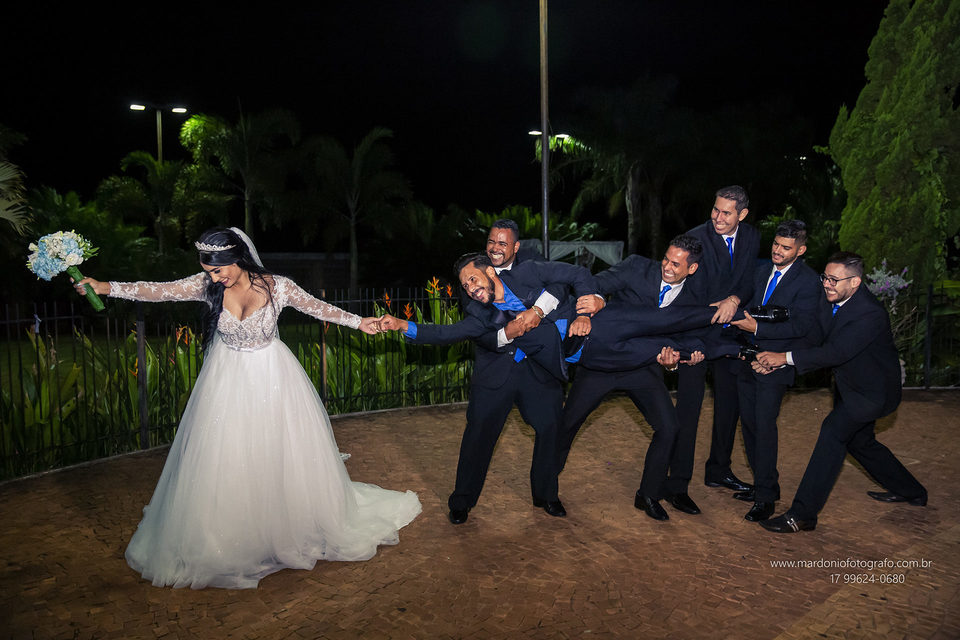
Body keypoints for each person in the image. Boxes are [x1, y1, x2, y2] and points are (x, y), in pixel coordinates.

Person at [73, 227, 421, 588]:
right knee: (225, 456)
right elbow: (158, 290)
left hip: (272, 377)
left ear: (238, 258)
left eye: (219, 270)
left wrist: (358, 321)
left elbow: (316, 308)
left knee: (278, 453)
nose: (215, 277)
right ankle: (228, 532)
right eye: (208, 271)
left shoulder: (277, 286)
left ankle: (284, 526)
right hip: (226, 380)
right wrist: (105, 287)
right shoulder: (207, 285)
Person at [753, 252, 927, 533]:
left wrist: (783, 358)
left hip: (872, 393)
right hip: (850, 388)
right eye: (825, 277)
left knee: (832, 433)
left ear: (855, 282)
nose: (827, 284)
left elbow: (836, 352)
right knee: (861, 443)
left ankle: (803, 515)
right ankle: (912, 491)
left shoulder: (870, 314)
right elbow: (813, 336)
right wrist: (774, 360)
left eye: (834, 280)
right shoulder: (829, 300)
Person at [561, 234, 708, 521]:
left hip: (642, 368)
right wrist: (596, 305)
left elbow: (692, 335)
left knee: (669, 428)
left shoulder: (694, 296)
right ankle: (546, 489)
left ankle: (648, 495)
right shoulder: (635, 267)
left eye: (676, 264)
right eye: (666, 258)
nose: (667, 266)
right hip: (602, 364)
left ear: (692, 269)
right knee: (567, 425)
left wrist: (675, 363)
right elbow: (594, 284)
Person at [727, 220, 823, 522]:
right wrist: (749, 344)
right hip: (749, 358)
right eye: (776, 244)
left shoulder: (808, 282)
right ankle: (764, 484)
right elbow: (751, 308)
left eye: (786, 247)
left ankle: (766, 498)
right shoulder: (761, 271)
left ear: (801, 249)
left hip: (777, 364)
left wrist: (762, 335)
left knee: (765, 428)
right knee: (750, 425)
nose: (778, 251)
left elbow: (803, 327)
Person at [673, 185, 760, 501]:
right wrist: (716, 306)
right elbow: (681, 291)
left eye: (726, 213)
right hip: (696, 334)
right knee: (689, 410)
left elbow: (750, 280)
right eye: (715, 209)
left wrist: (734, 300)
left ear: (743, 214)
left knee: (729, 407)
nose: (718, 217)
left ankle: (718, 470)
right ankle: (677, 484)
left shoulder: (751, 237)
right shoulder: (696, 238)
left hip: (731, 335)